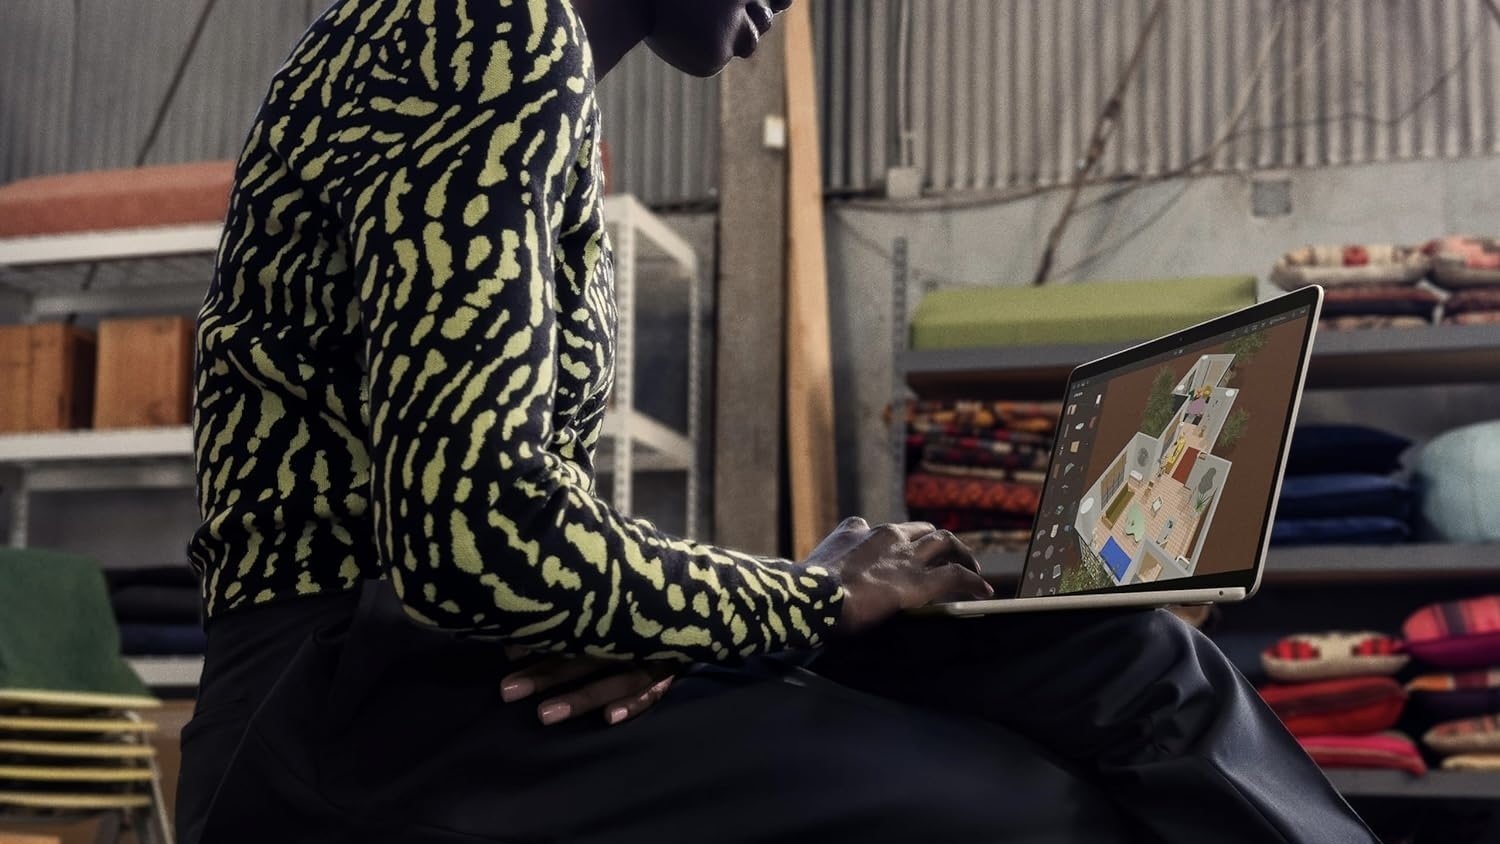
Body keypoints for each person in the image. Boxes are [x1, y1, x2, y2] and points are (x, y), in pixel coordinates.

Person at [177, 1, 1379, 842]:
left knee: (1131, 660)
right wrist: (805, 601)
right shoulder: (493, 30)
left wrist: (694, 610)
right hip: (351, 718)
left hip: (440, 667)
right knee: (1034, 808)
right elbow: (476, 537)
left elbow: (495, 530)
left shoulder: (505, 54)